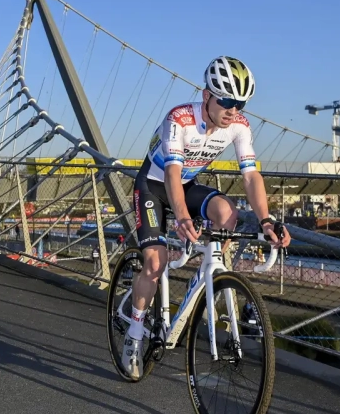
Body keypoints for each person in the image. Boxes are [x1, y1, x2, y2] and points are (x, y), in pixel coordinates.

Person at [122, 56, 292, 379]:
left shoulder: (238, 126)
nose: (233, 109)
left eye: (239, 103)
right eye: (226, 100)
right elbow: (171, 173)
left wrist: (267, 220)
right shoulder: (180, 120)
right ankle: (134, 333)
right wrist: (183, 217)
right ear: (206, 96)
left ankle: (212, 272)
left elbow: (251, 176)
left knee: (228, 213)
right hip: (153, 186)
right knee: (155, 264)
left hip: (185, 185)